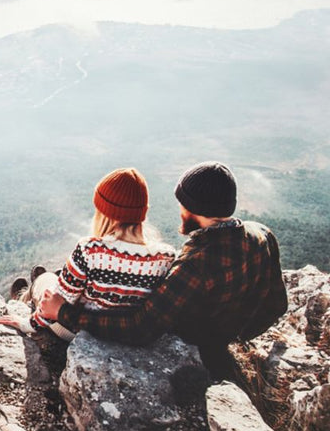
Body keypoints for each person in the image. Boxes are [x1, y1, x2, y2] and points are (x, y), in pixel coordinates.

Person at [38, 161, 289, 381]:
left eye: (182, 203)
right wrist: (239, 333)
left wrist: (64, 312)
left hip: (197, 349)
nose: (179, 210)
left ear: (193, 208)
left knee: (48, 281)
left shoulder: (194, 266)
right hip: (227, 336)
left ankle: (35, 287)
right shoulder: (262, 234)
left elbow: (140, 328)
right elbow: (277, 304)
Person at [0, 167, 177, 339]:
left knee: (45, 281)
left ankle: (22, 298)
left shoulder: (90, 250)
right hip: (127, 334)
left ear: (105, 213)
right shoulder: (166, 257)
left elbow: (57, 302)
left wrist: (26, 324)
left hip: (77, 332)